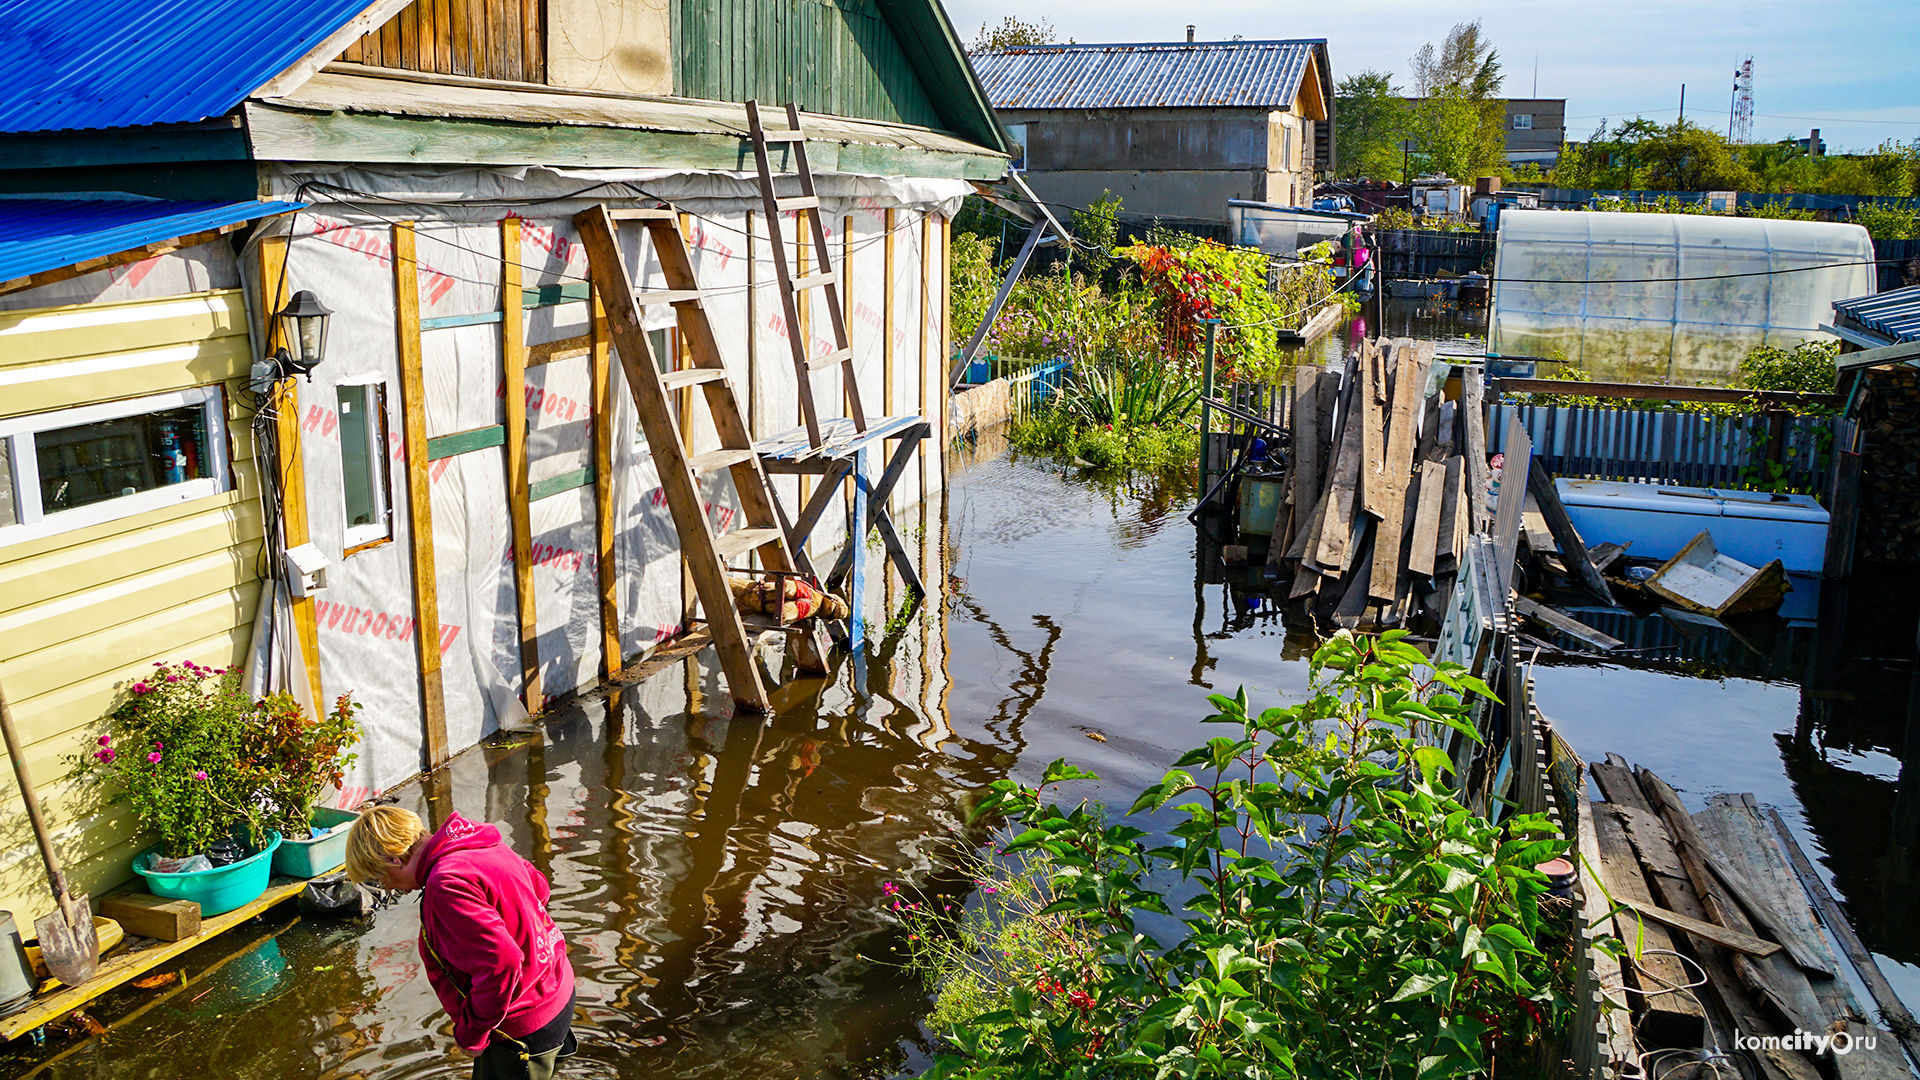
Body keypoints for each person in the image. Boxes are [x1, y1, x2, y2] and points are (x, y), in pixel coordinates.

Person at [345, 805, 577, 1080]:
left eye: (380, 877)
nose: (388, 888)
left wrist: (472, 1034)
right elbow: (538, 887)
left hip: (523, 1024)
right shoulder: (477, 842)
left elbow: (503, 964)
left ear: (394, 859)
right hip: (557, 989)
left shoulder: (446, 884)